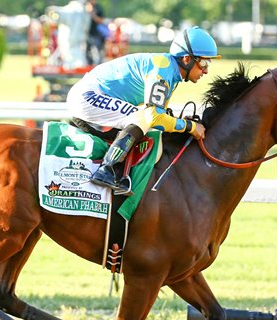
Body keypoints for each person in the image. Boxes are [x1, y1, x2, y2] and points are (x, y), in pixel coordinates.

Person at [66, 26, 221, 194]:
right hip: (87, 96)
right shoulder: (162, 70)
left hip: (92, 95)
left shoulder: (171, 72)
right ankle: (107, 170)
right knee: (142, 117)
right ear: (186, 59)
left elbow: (161, 115)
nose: (205, 70)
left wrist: (178, 122)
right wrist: (189, 126)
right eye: (204, 62)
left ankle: (120, 170)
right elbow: (154, 117)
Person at [85, 0, 106, 65]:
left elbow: (101, 20)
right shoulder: (83, 7)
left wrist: (92, 14)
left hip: (95, 33)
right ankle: (89, 64)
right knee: (87, 52)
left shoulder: (98, 8)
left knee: (98, 50)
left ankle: (99, 64)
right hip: (85, 34)